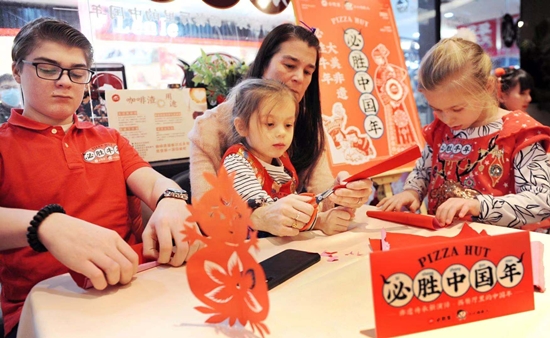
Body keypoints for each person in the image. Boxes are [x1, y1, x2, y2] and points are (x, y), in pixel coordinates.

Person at [0, 18, 201, 338]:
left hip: (135, 285)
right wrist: (46, 225)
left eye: (77, 73)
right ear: (17, 71)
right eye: (48, 68)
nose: (64, 81)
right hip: (44, 305)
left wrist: (172, 199)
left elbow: (150, 181)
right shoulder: (4, 144)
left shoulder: (109, 138)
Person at [188, 23, 374, 237]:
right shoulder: (210, 128)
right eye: (289, 65)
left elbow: (319, 198)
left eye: (307, 71)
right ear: (263, 64)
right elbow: (207, 215)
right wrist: (260, 216)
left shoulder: (309, 125)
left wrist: (341, 195)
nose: (299, 78)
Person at [377, 37, 550, 229]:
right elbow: (423, 170)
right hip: (445, 243)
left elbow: (541, 200)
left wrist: (478, 206)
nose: (448, 119)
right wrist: (412, 192)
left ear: (488, 87)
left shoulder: (519, 132)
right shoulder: (440, 130)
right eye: (437, 109)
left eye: (457, 109)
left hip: (500, 248)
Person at [221, 78, 328, 235]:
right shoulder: (236, 162)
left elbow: (291, 213)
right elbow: (265, 210)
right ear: (242, 126)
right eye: (270, 124)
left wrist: (321, 219)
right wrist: (315, 218)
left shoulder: (281, 161)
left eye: (288, 125)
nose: (281, 133)